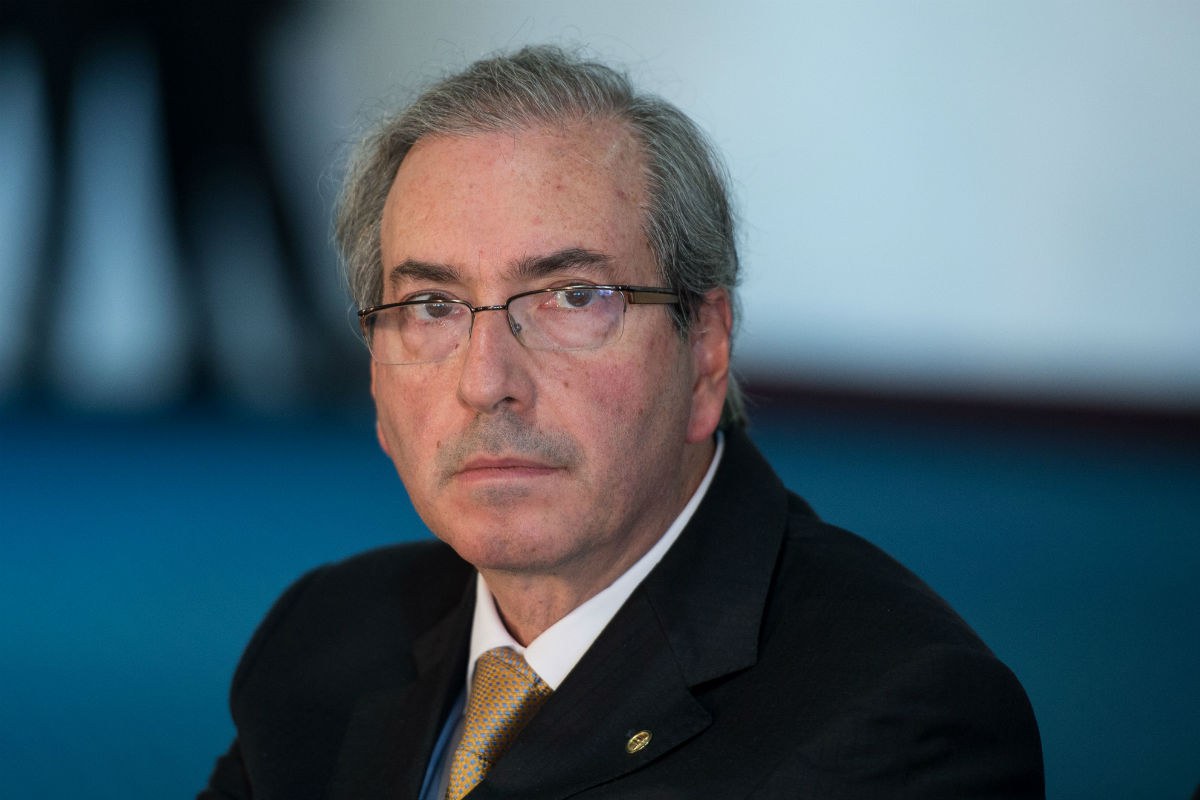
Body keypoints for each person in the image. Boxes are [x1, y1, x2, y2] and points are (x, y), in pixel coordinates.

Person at [199, 45, 1044, 799]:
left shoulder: (896, 719)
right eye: (431, 305)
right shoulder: (323, 639)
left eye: (573, 298)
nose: (486, 382)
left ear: (705, 348)